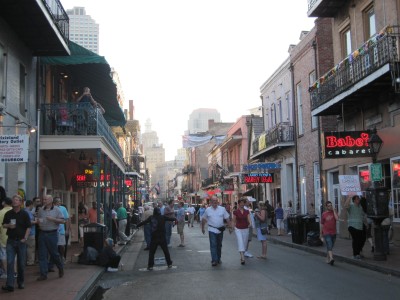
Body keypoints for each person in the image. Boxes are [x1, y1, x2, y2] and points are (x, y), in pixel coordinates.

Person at [1, 195, 31, 292]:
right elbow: (4, 225)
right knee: (10, 262)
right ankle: (10, 284)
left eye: (16, 200)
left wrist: (25, 238)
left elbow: (28, 227)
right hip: (11, 240)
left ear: (21, 203)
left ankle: (21, 282)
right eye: (13, 200)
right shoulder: (8, 213)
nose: (14, 202)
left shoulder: (24, 214)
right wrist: (9, 225)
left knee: (21, 264)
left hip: (21, 241)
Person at [37, 195, 65, 281]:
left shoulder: (57, 209)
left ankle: (60, 268)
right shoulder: (41, 209)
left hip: (52, 234)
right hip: (42, 233)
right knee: (42, 254)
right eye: (43, 199)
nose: (44, 200)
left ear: (51, 200)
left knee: (54, 253)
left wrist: (53, 219)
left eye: (45, 199)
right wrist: (39, 221)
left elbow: (63, 221)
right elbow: (39, 219)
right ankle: (43, 274)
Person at [201, 196, 232, 267]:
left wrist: (230, 227)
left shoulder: (222, 209)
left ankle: (218, 258)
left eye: (216, 201)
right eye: (213, 201)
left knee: (219, 245)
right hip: (212, 229)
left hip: (220, 229)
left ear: (217, 202)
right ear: (211, 202)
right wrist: (202, 228)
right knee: (213, 244)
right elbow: (203, 219)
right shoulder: (208, 210)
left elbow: (227, 218)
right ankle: (214, 260)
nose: (214, 203)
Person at [344, 195, 366, 260]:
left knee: (362, 239)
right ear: (354, 200)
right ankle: (355, 254)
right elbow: (345, 206)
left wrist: (366, 223)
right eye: (357, 199)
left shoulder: (360, 207)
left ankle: (358, 252)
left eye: (358, 199)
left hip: (360, 226)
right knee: (356, 240)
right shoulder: (351, 206)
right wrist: (349, 197)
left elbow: (363, 216)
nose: (358, 200)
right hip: (352, 226)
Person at [232, 198, 251, 265]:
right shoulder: (236, 212)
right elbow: (234, 221)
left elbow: (249, 219)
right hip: (238, 229)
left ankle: (242, 253)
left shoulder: (247, 211)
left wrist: (250, 224)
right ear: (239, 204)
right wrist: (232, 228)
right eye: (241, 203)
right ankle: (242, 258)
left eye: (243, 203)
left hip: (246, 228)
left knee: (245, 243)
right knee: (240, 242)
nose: (242, 204)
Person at [320, 201, 338, 265]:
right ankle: (331, 258)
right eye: (329, 206)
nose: (330, 207)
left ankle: (327, 258)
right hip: (326, 232)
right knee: (329, 244)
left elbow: (337, 218)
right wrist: (321, 234)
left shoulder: (334, 212)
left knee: (330, 246)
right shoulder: (324, 214)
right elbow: (322, 224)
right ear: (326, 207)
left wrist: (334, 211)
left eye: (331, 205)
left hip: (333, 232)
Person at [0, 197, 12, 279]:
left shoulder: (1, 212)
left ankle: (6, 273)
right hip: (14, 237)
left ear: (4, 203)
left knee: (3, 255)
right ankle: (14, 272)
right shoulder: (15, 211)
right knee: (14, 256)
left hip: (3, 236)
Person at [23, 200, 37, 266]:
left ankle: (25, 260)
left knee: (26, 247)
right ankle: (30, 261)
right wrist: (36, 222)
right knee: (31, 247)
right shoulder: (28, 212)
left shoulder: (23, 211)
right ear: (31, 205)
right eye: (33, 205)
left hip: (25, 232)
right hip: (30, 233)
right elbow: (29, 222)